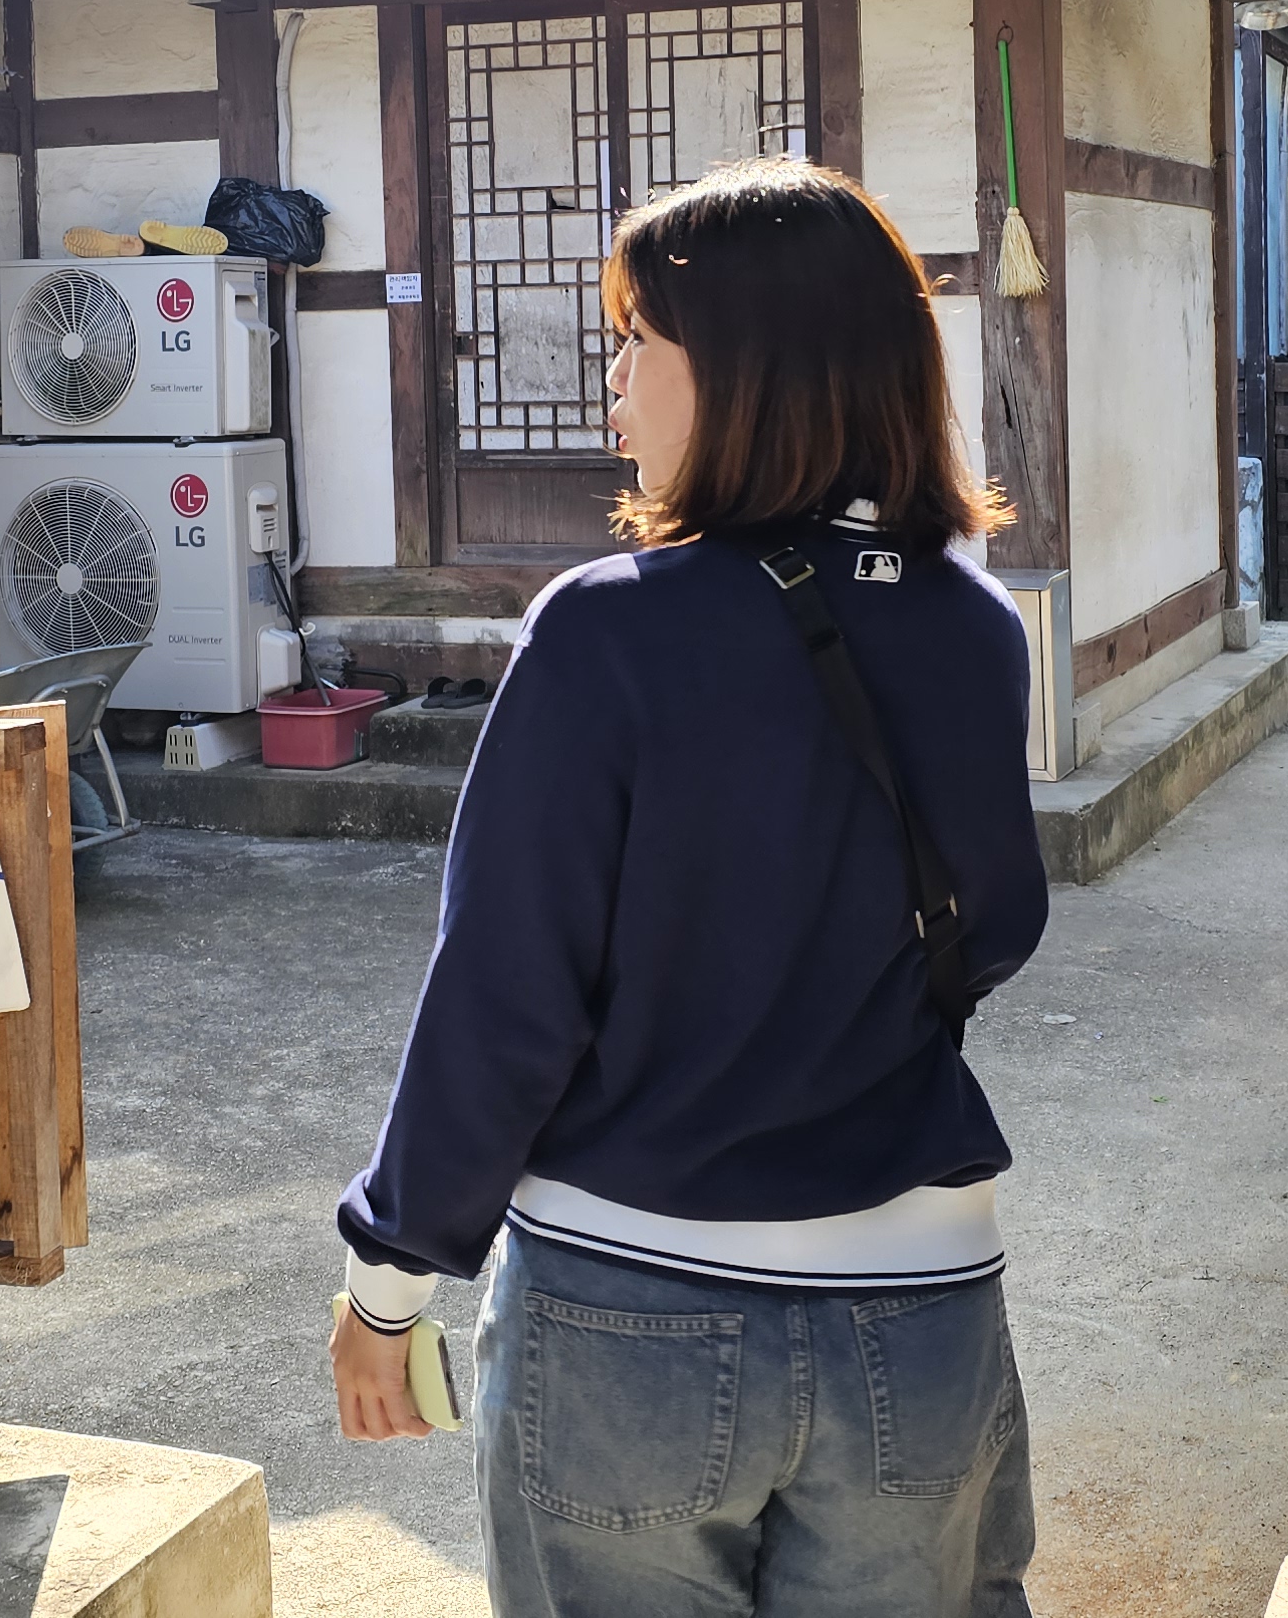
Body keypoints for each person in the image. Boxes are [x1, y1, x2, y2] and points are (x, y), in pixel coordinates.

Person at [328, 158, 1050, 1617]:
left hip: (630, 1304)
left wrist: (389, 1280)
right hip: (922, 1305)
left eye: (638, 341)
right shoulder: (976, 625)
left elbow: (507, 991)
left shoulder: (606, 629)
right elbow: (997, 925)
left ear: (749, 367)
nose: (613, 382)